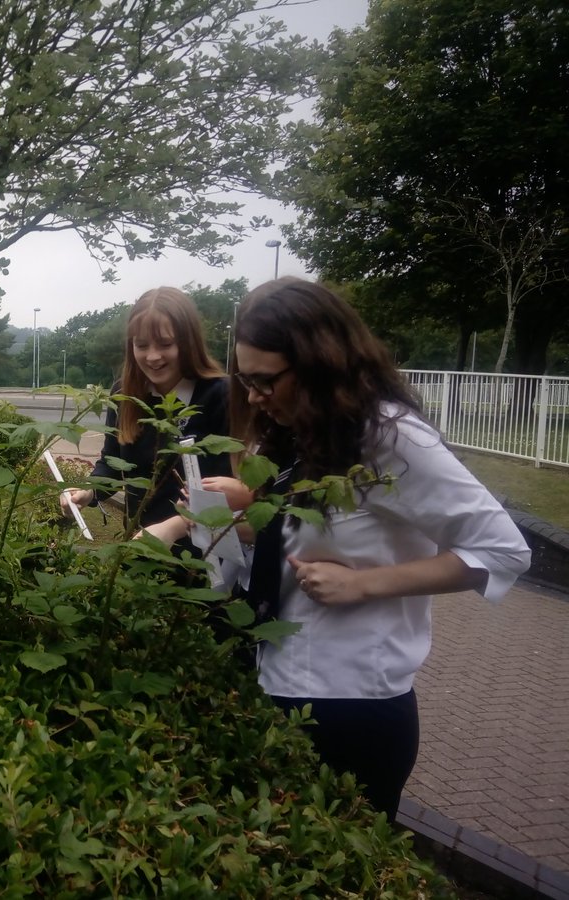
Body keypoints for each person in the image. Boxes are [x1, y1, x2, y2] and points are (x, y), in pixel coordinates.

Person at [230, 277, 529, 821]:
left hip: (353, 704)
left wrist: (363, 583)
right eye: (245, 380)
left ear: (320, 365)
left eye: (266, 380)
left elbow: (503, 550)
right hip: (277, 679)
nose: (254, 397)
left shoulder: (391, 438)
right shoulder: (301, 430)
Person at [60, 286, 229, 535]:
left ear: (188, 342)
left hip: (204, 555)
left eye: (165, 344)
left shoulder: (220, 395)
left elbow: (232, 491)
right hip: (138, 542)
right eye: (141, 345)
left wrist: (172, 530)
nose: (152, 356)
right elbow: (113, 462)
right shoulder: (124, 393)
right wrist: (89, 490)